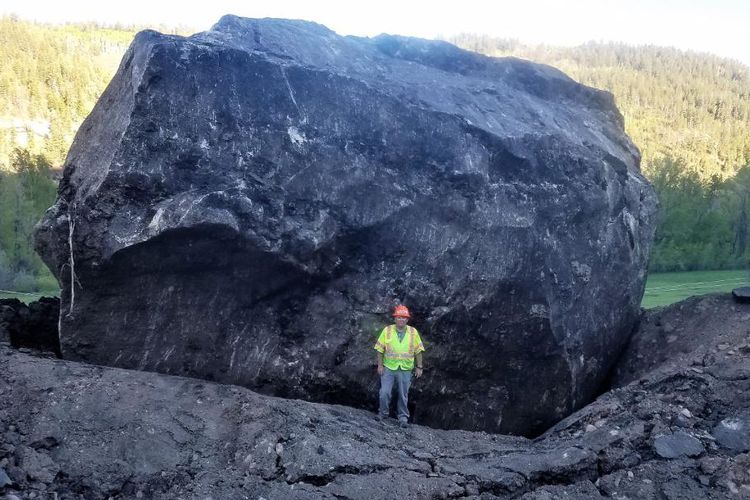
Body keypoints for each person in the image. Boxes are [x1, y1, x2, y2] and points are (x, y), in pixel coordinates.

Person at [374, 304, 425, 427]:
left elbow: (418, 351)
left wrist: (419, 367)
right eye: (399, 317)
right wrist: (380, 366)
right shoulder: (387, 331)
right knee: (384, 392)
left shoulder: (413, 332)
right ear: (395, 318)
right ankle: (383, 413)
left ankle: (403, 417)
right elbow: (379, 349)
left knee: (403, 395)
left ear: (407, 319)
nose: (401, 320)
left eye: (404, 317)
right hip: (389, 367)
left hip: (406, 369)